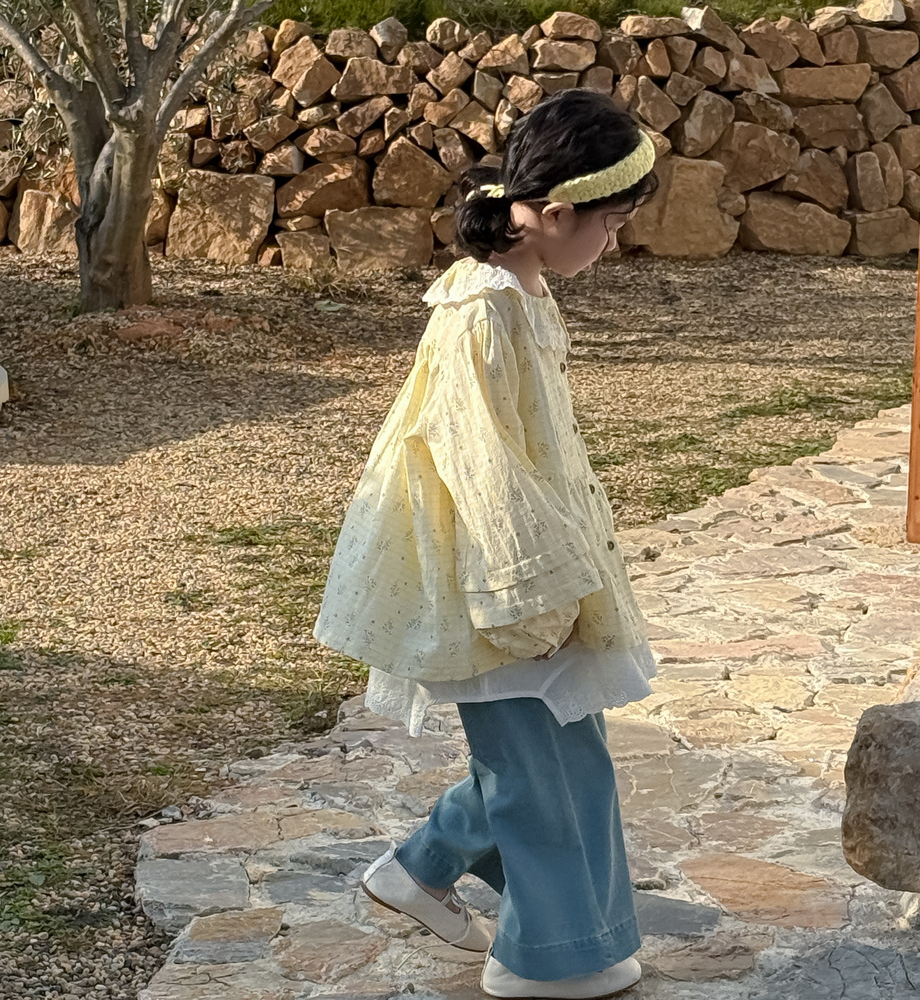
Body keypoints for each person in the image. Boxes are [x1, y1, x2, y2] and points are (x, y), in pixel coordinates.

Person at [313, 88, 662, 999]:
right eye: (612, 224)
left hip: (541, 564)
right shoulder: (481, 311)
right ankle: (541, 959)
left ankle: (427, 870)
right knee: (534, 773)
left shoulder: (524, 290)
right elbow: (479, 463)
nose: (615, 243)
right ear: (556, 212)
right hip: (490, 576)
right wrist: (528, 590)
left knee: (564, 753)